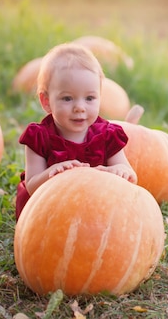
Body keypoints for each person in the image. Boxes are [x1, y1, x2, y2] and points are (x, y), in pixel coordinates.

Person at [15, 43, 137, 220]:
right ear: (46, 101)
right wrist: (52, 173)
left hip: (93, 213)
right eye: (67, 98)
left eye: (89, 98)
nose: (80, 107)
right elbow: (31, 186)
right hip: (49, 214)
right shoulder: (39, 137)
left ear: (99, 97)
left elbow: (131, 176)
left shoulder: (107, 135)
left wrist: (119, 171)